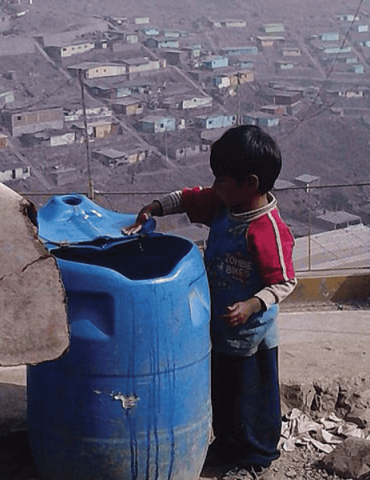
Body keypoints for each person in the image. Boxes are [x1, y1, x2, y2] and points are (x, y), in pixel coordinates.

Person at [122, 125, 296, 480]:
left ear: (249, 184)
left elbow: (284, 281)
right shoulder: (223, 205)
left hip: (252, 335)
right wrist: (153, 207)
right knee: (224, 389)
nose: (214, 187)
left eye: (221, 180)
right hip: (219, 324)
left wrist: (252, 305)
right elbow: (188, 198)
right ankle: (229, 442)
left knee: (253, 393)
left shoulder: (266, 230)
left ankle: (257, 453)